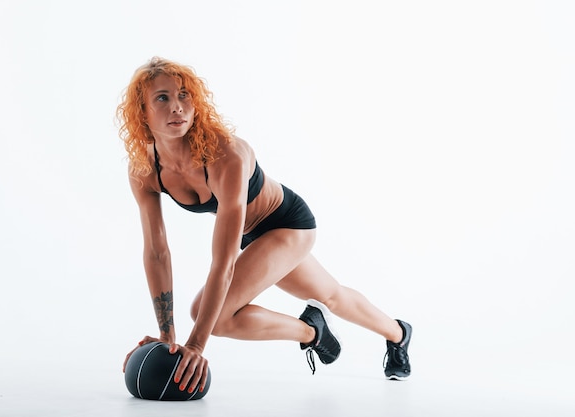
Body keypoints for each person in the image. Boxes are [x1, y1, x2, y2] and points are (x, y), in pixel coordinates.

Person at [117, 57, 412, 394]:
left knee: (210, 315)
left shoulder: (225, 155)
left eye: (185, 95)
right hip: (253, 235)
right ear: (141, 112)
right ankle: (385, 333)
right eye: (162, 98)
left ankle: (334, 333)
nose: (178, 107)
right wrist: (167, 336)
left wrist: (196, 344)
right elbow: (157, 253)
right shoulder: (145, 169)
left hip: (288, 224)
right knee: (330, 295)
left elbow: (223, 262)